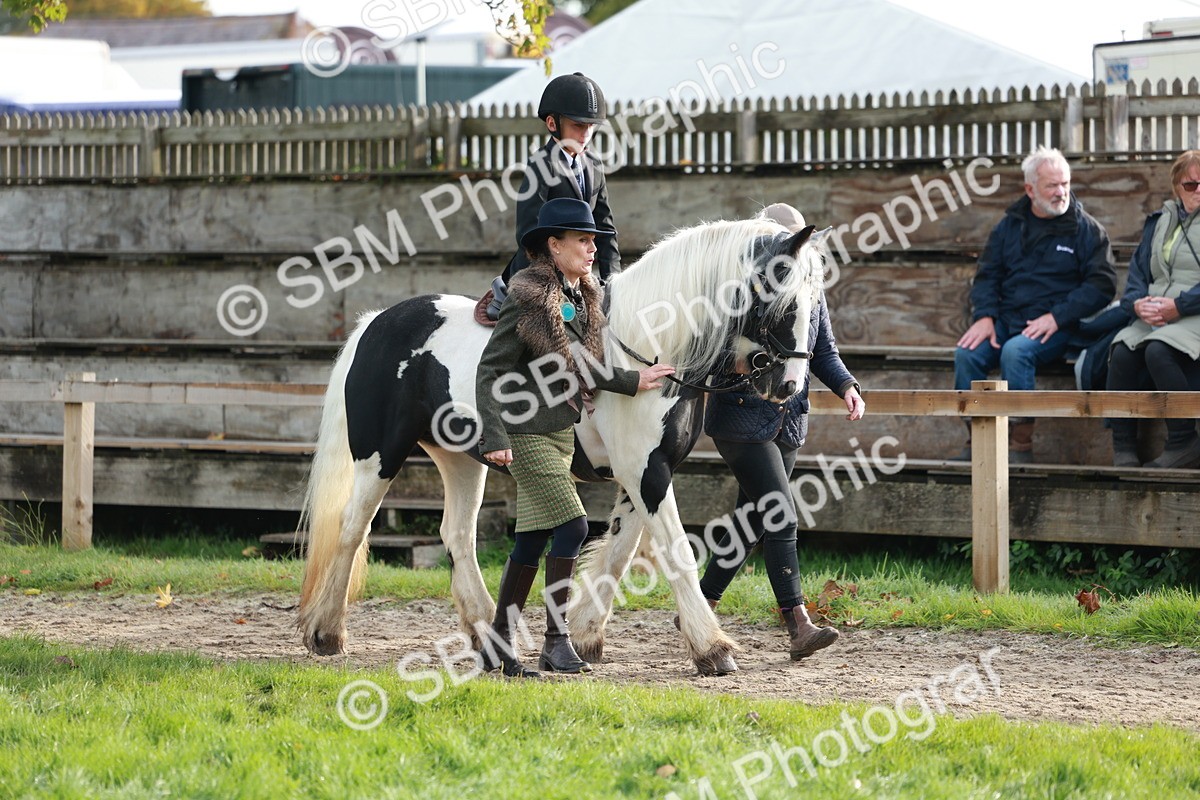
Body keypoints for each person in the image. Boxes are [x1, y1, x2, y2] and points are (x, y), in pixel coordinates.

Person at [475, 197, 674, 678]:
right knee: (575, 527)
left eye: (593, 241)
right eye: (582, 241)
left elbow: (588, 366)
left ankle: (496, 645)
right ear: (553, 244)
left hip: (560, 434)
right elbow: (489, 369)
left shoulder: (585, 295)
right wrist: (492, 436)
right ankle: (556, 641)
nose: (592, 249)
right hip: (524, 435)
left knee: (532, 539)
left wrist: (635, 380)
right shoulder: (526, 295)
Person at [691, 203, 865, 662]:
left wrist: (847, 385)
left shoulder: (810, 284)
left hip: (790, 419)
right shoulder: (737, 288)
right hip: (741, 418)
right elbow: (710, 347)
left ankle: (698, 606)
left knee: (750, 523)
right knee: (779, 513)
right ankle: (798, 623)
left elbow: (822, 348)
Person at [952, 146, 1118, 463]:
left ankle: (1019, 444)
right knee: (966, 354)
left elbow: (1103, 285)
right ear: (1030, 189)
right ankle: (978, 441)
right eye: (1052, 185)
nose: (1061, 192)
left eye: (1065, 184)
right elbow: (987, 275)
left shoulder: (1087, 230)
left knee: (1017, 352)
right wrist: (985, 316)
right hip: (1006, 320)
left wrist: (1057, 317)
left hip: (1058, 326)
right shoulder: (1008, 227)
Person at [485, 72, 618, 320]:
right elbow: (528, 232)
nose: (585, 135)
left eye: (591, 127)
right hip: (539, 272)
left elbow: (605, 226)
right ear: (552, 124)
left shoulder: (594, 165)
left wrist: (613, 281)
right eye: (578, 126)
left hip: (578, 272)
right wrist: (561, 279)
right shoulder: (541, 164)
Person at [1107, 150, 1200, 468]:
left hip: (1193, 313)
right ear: (1177, 186)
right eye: (1191, 184)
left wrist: (1180, 306)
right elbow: (1137, 274)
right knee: (1120, 350)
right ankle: (1123, 447)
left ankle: (1183, 441)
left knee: (1159, 350)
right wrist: (1136, 304)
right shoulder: (1159, 221)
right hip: (1157, 313)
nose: (1198, 190)